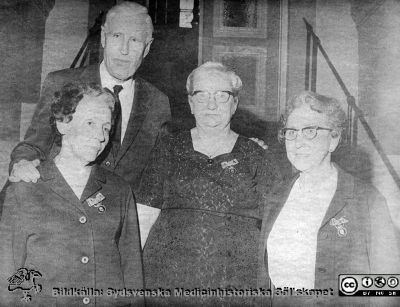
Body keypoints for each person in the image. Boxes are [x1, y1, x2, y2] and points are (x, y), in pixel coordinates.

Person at [137, 62, 281, 305]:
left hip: (236, 283)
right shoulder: (168, 148)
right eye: (201, 95)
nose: (211, 104)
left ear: (235, 103)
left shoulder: (256, 154)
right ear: (191, 103)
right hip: (170, 282)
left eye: (222, 96)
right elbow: (144, 218)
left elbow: (276, 226)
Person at [0, 83, 144, 306]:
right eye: (90, 123)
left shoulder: (120, 191)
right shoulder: (24, 189)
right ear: (63, 123)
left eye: (106, 127)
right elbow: (6, 279)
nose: (100, 136)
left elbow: (132, 277)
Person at [8, 1, 170, 193]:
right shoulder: (60, 82)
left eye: (135, 40)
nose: (124, 50)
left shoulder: (159, 103)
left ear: (147, 47)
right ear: (103, 37)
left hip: (117, 215)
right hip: (59, 203)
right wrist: (22, 163)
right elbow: (32, 146)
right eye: (117, 36)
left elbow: (156, 177)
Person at [257, 91, 400, 306]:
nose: (299, 142)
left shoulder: (366, 200)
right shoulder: (275, 196)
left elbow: (388, 285)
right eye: (292, 132)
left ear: (333, 139)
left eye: (311, 131)